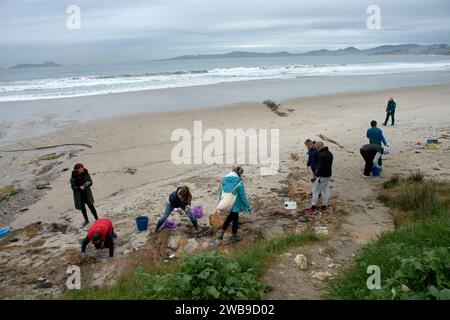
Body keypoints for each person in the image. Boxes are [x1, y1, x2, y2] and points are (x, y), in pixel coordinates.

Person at [217, 167, 253, 243]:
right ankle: (233, 236)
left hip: (228, 202)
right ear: (239, 174)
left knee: (231, 217)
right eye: (241, 174)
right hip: (235, 204)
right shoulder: (239, 181)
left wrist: (220, 202)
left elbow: (220, 192)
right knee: (234, 218)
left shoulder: (224, 179)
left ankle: (222, 233)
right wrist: (248, 206)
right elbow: (242, 196)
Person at [304, 141, 333, 214]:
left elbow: (320, 168)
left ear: (318, 147)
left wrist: (316, 177)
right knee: (325, 190)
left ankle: (313, 207)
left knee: (315, 190)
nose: (316, 149)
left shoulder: (321, 155)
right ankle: (324, 206)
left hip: (322, 176)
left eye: (316, 147)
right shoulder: (330, 153)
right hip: (328, 174)